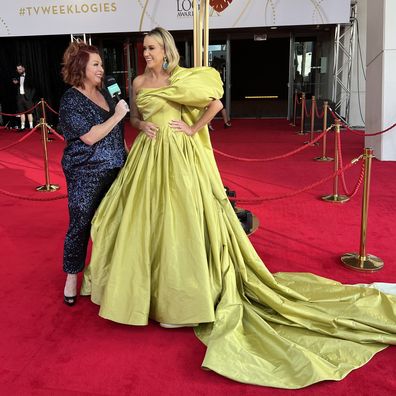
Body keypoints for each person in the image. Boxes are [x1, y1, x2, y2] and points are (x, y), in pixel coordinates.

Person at [81, 27, 396, 389]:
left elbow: (216, 103)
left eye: (152, 47)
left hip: (181, 160)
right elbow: (135, 118)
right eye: (144, 48)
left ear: (165, 50)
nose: (146, 52)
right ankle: (146, 296)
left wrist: (191, 127)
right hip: (147, 157)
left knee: (181, 225)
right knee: (139, 222)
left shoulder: (182, 79)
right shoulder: (136, 82)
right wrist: (143, 126)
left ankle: (182, 299)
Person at [59, 41, 129, 306]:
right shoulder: (71, 100)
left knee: (113, 225)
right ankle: (71, 278)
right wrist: (117, 116)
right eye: (96, 64)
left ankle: (107, 276)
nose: (102, 69)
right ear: (81, 67)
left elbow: (118, 132)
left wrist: (127, 155)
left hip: (116, 168)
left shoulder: (107, 94)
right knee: (80, 225)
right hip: (85, 174)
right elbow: (90, 137)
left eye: (102, 64)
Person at [12, 63, 36, 130]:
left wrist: (30, 97)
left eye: (20, 69)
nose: (19, 70)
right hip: (20, 97)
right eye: (18, 69)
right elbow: (16, 86)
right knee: (21, 112)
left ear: (23, 68)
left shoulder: (29, 77)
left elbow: (33, 88)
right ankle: (22, 126)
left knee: (29, 112)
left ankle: (31, 126)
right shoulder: (17, 77)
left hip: (27, 97)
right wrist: (15, 83)